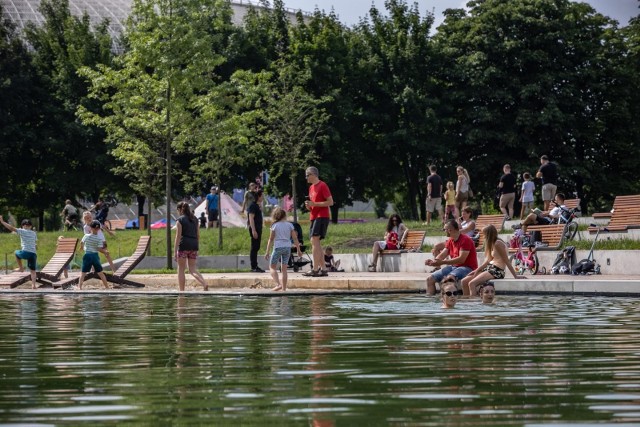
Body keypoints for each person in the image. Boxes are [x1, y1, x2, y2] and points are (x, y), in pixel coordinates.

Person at [461, 224, 526, 297]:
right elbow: (488, 260)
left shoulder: (498, 243)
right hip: (490, 267)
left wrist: (515, 276)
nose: (483, 236)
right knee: (464, 281)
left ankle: (474, 305)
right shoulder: (491, 243)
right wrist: (477, 270)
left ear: (489, 234)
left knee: (471, 283)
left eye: (484, 234)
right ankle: (466, 304)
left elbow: (506, 261)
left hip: (497, 270)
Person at [425, 219, 478, 295]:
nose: (444, 231)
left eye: (444, 229)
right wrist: (434, 261)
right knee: (430, 279)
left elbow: (461, 260)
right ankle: (431, 303)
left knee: (450, 278)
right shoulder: (450, 240)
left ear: (450, 230)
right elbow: (443, 254)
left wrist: (442, 262)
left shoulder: (465, 240)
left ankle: (451, 300)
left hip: (467, 268)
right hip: (454, 267)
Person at [302, 167, 334, 277]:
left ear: (313, 174)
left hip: (322, 216)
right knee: (315, 242)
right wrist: (309, 206)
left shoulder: (322, 185)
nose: (306, 177)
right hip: (314, 216)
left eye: (307, 175)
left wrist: (314, 204)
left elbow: (330, 202)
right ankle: (323, 268)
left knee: (314, 240)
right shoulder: (311, 188)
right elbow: (313, 205)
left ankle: (315, 269)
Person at [264, 207, 302, 291]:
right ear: (285, 215)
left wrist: (267, 251)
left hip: (278, 247)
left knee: (272, 267)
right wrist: (298, 250)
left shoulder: (274, 225)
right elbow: (295, 239)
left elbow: (270, 239)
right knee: (284, 269)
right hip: (287, 248)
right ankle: (284, 289)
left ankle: (278, 284)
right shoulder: (290, 225)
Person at [174, 201, 208, 292]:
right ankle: (204, 283)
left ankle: (182, 290)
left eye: (177, 210)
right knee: (192, 269)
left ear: (180, 209)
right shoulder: (195, 219)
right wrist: (196, 246)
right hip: (193, 245)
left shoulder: (179, 220)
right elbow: (198, 235)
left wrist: (174, 251)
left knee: (181, 269)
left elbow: (178, 236)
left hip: (184, 245)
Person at [0, 216, 37, 289]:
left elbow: (11, 228)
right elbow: (35, 244)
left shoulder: (22, 230)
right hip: (33, 254)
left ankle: (21, 268)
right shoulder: (34, 233)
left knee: (16, 252)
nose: (26, 226)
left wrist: (2, 222)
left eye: (26, 226)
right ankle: (34, 285)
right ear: (31, 226)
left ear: (23, 226)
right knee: (33, 271)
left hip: (25, 252)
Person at [78, 220, 110, 290]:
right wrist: (105, 252)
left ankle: (79, 287)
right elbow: (99, 249)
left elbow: (82, 242)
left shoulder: (86, 236)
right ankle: (107, 287)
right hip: (95, 256)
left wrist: (82, 247)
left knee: (83, 273)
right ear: (98, 229)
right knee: (100, 273)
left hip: (87, 256)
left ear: (90, 228)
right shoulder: (99, 239)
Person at [247, 190, 265, 273]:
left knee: (257, 247)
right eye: (262, 196)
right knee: (254, 247)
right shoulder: (253, 206)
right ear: (258, 196)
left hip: (258, 228)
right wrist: (254, 230)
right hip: (255, 229)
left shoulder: (257, 206)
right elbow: (251, 218)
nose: (263, 197)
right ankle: (254, 266)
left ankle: (255, 265)